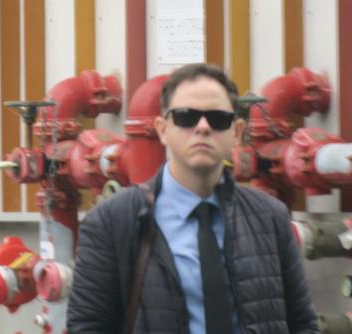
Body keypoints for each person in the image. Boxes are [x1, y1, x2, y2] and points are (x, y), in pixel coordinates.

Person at [67, 63, 319, 333]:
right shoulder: (112, 222)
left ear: (236, 132)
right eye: (186, 117)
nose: (202, 127)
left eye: (218, 119)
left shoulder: (270, 217)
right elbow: (87, 327)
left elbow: (302, 324)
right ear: (162, 129)